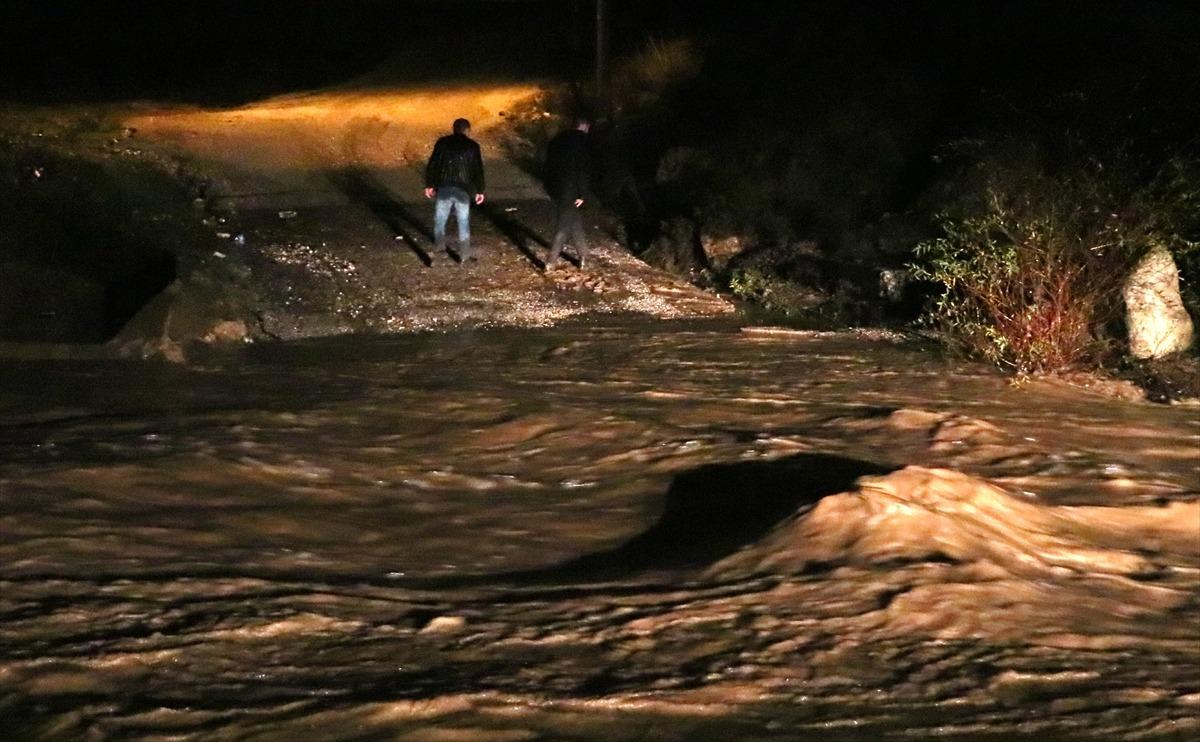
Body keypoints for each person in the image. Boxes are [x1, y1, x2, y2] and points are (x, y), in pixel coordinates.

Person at [424, 118, 486, 262]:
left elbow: (433, 164)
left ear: (453, 128)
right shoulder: (472, 146)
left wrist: (430, 184)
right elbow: (477, 170)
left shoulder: (442, 143)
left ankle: (439, 247)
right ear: (467, 130)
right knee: (463, 221)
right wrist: (480, 190)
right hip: (463, 189)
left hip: (444, 186)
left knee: (440, 219)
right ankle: (464, 254)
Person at [543, 118, 591, 271]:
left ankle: (584, 256)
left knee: (574, 221)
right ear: (585, 127)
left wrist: (549, 187)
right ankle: (551, 261)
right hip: (571, 189)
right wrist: (582, 193)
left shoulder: (557, 140)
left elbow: (548, 165)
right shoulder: (583, 142)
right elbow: (582, 170)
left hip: (556, 187)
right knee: (564, 225)